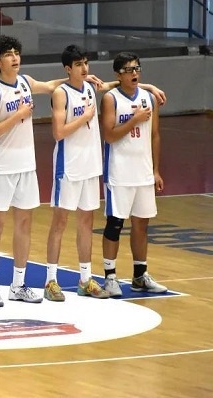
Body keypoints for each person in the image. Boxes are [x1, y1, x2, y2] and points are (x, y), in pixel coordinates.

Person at [0, 36, 109, 308]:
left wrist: (80, 77)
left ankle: (18, 284)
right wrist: (18, 115)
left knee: (24, 224)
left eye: (16, 52)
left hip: (27, 165)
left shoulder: (25, 82)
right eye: (8, 54)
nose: (15, 57)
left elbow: (50, 85)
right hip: (1, 166)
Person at [43, 46, 112, 301]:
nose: (84, 68)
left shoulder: (91, 87)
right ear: (67, 69)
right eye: (79, 64)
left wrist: (148, 87)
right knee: (60, 222)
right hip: (68, 166)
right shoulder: (61, 93)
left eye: (86, 63)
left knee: (86, 222)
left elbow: (112, 84)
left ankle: (85, 279)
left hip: (91, 165)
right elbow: (58, 132)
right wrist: (84, 117)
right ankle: (51, 280)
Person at [100, 52, 167, 296]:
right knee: (115, 224)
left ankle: (140, 275)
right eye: (129, 70)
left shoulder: (149, 98)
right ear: (118, 74)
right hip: (119, 172)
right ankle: (110, 277)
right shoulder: (111, 99)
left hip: (143, 172)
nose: (135, 73)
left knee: (141, 224)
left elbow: (155, 135)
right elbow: (109, 135)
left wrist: (156, 170)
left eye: (137, 68)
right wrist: (134, 120)